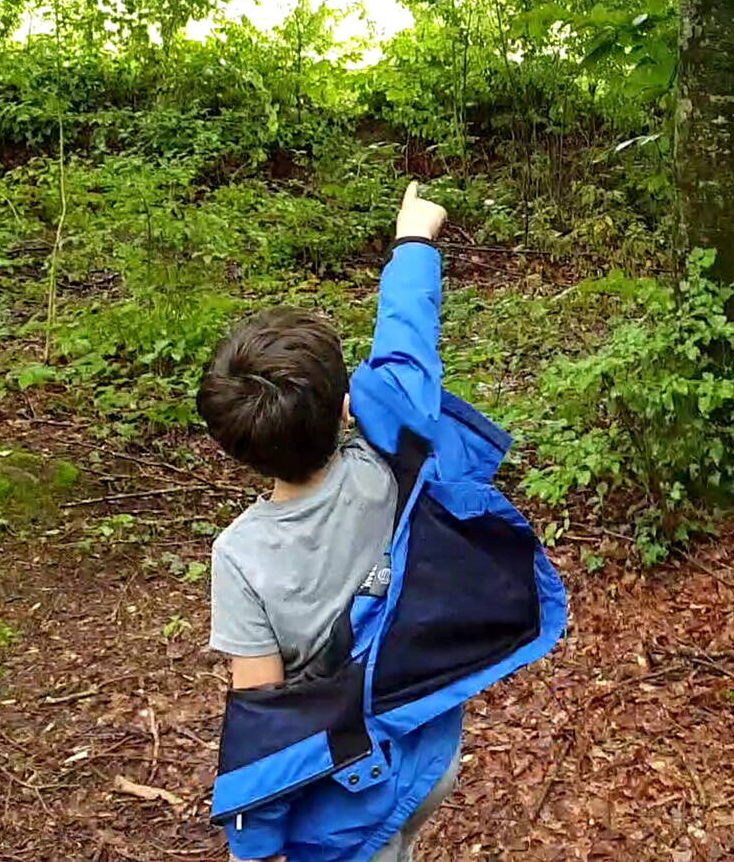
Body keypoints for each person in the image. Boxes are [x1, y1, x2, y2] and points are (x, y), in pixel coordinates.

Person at [197, 182, 567, 862]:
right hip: (428, 735)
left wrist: (257, 843)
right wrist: (414, 240)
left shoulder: (238, 557)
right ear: (345, 408)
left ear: (234, 448)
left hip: (345, 789)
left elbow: (263, 712)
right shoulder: (387, 456)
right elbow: (406, 342)